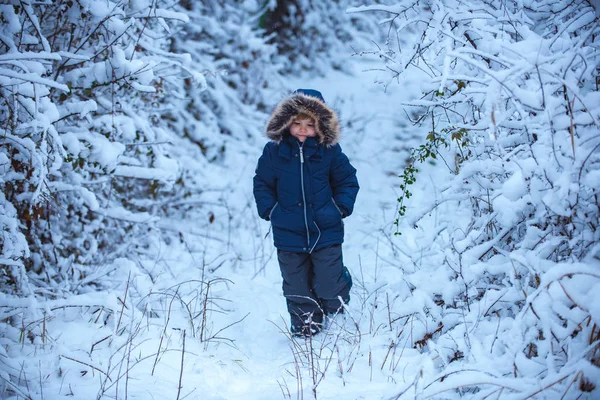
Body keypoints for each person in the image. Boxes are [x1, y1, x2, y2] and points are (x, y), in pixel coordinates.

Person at [253, 89, 359, 337]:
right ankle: (306, 330)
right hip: (288, 233)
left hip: (326, 230)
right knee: (296, 285)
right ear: (286, 123)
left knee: (328, 284)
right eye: (297, 123)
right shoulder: (274, 152)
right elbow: (262, 183)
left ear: (321, 126)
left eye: (309, 125)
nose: (302, 129)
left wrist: (339, 208)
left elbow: (347, 180)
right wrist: (271, 210)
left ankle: (337, 310)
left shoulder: (329, 152)